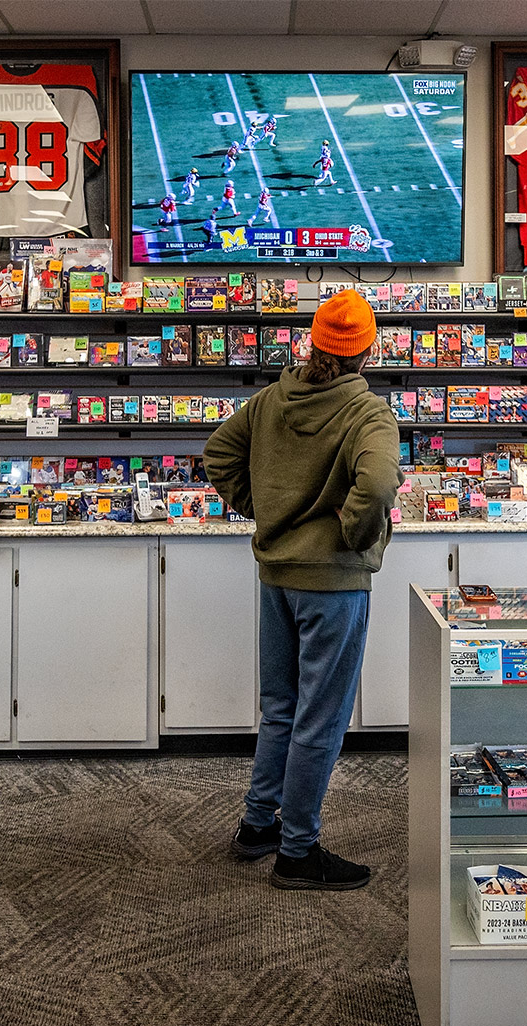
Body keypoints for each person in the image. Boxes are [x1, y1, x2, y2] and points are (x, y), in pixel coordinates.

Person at [205, 289, 400, 892]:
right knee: (321, 718)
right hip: (333, 586)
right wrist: (351, 536)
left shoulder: (272, 398)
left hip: (277, 576)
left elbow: (218, 455)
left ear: (313, 341)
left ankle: (258, 825)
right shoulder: (369, 414)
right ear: (368, 350)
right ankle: (297, 851)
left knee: (280, 710)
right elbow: (376, 487)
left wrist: (264, 512)